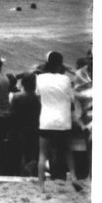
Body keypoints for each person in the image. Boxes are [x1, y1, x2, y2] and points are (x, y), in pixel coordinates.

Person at [36, 51, 81, 190]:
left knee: (43, 154)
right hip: (64, 121)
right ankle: (73, 177)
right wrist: (68, 68)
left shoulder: (40, 79)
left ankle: (41, 186)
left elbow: (39, 97)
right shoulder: (66, 80)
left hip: (46, 120)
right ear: (61, 64)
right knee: (68, 151)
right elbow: (81, 77)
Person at [10, 72, 41, 176]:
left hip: (19, 129)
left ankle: (19, 173)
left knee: (17, 154)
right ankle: (32, 173)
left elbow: (13, 115)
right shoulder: (38, 98)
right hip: (34, 128)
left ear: (23, 83)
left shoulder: (17, 97)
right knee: (31, 153)